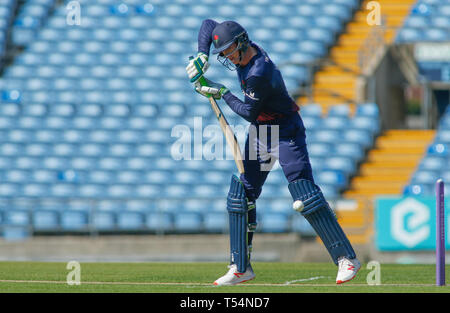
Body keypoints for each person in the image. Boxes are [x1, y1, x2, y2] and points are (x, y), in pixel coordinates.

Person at [186, 19, 360, 286]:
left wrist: (221, 91)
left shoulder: (260, 71)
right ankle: (241, 267)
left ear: (243, 43)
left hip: (285, 131)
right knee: (241, 195)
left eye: (230, 51)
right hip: (261, 132)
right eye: (224, 54)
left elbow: (247, 112)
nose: (228, 58)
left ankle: (346, 258)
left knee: (305, 193)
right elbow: (209, 25)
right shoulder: (244, 53)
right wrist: (202, 53)